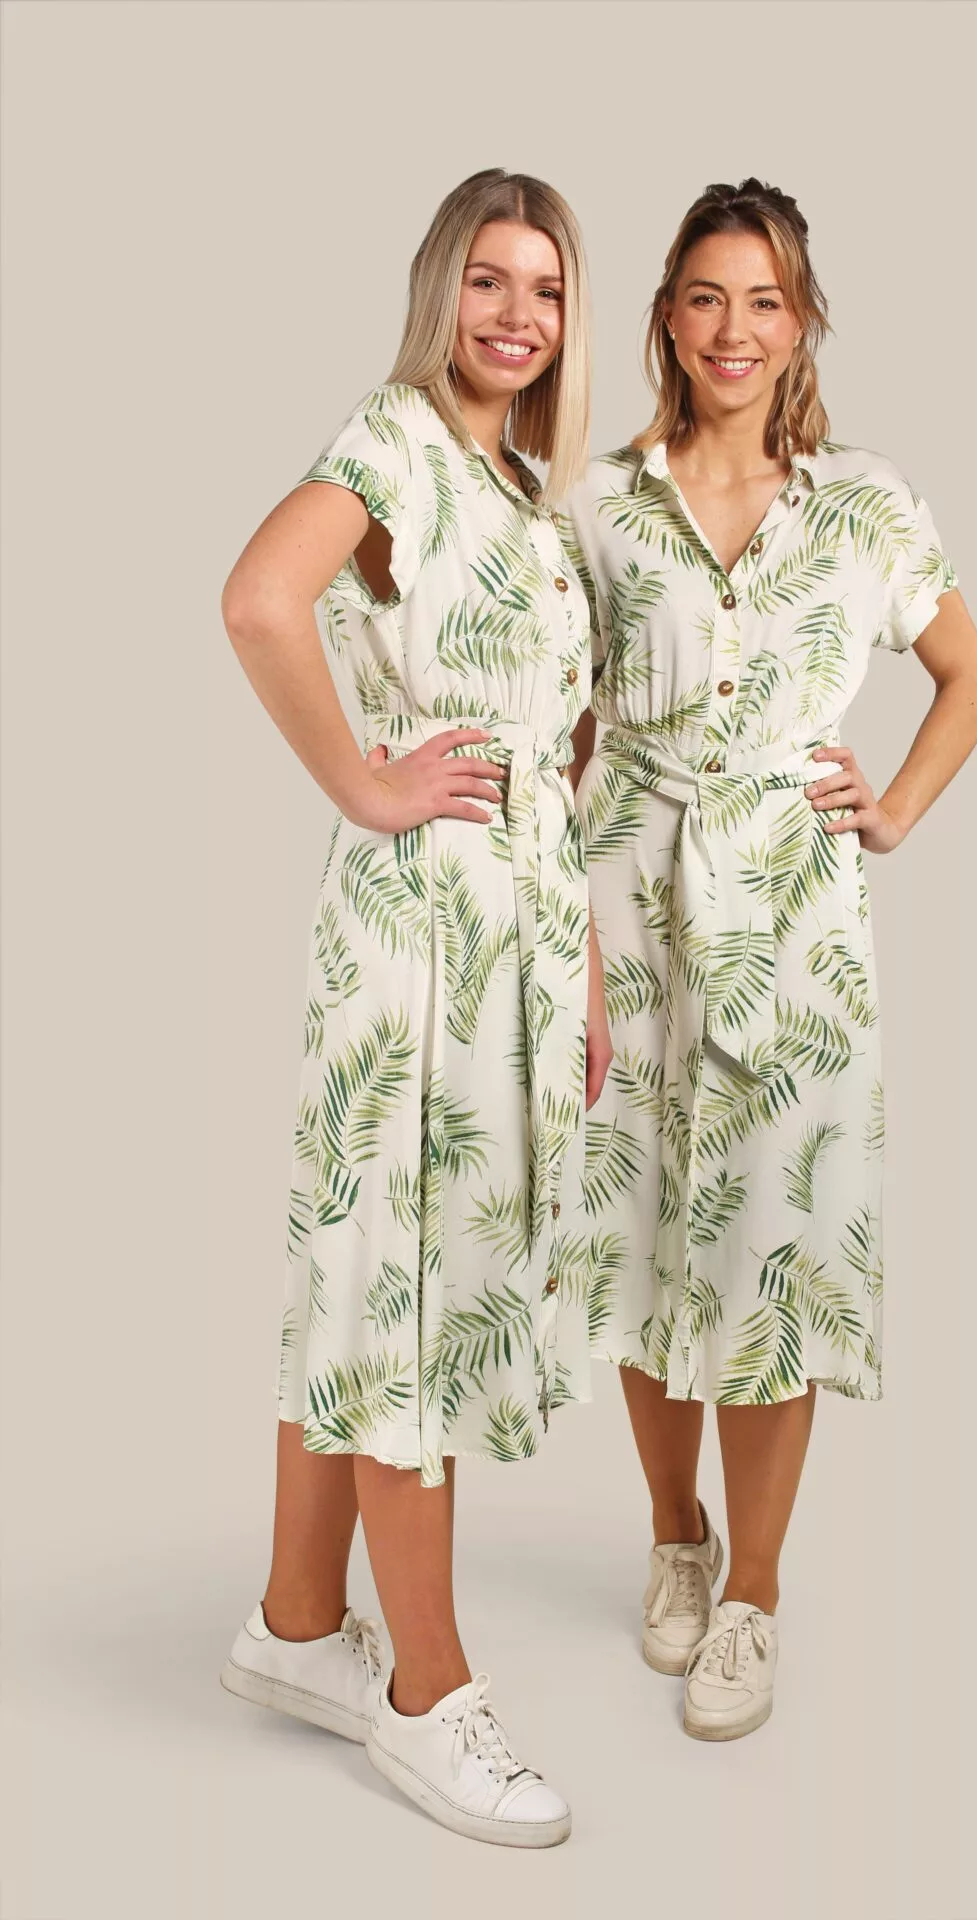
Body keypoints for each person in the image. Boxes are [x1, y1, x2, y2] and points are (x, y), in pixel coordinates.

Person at [564, 177, 977, 1741]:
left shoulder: (865, 503)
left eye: (764, 300)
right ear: (667, 319)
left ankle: (752, 1594)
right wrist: (565, 923)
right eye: (705, 296)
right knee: (636, 1235)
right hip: (631, 903)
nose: (733, 328)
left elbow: (967, 674)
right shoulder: (600, 507)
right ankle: (674, 1537)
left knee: (771, 1253)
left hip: (796, 933)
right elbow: (572, 728)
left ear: (801, 320)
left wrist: (895, 809)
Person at [218, 168, 610, 1847]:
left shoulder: (518, 489)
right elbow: (258, 598)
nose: (518, 315)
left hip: (519, 928)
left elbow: (557, 761)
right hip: (422, 935)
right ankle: (425, 1698)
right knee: (412, 1281)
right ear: (440, 288)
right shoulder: (394, 440)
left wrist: (582, 963)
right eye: (489, 281)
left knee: (370, 1259)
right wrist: (367, 784)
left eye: (546, 288)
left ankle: (300, 1622)